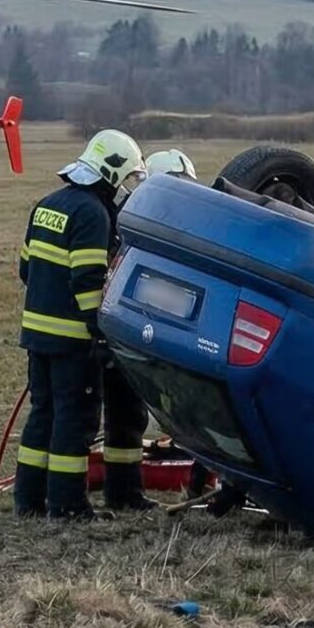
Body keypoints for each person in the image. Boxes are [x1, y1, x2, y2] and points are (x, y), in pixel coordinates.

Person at [14, 129, 142, 520]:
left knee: (43, 415)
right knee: (75, 420)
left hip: (37, 336)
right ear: (111, 172)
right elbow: (88, 282)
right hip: (72, 341)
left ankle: (29, 501)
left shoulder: (47, 204)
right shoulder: (92, 214)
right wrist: (100, 332)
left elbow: (25, 269)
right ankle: (68, 505)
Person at [94, 147, 193, 511]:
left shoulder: (138, 215)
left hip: (142, 330)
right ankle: (122, 493)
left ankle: (124, 491)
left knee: (130, 412)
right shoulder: (132, 221)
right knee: (124, 411)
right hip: (126, 330)